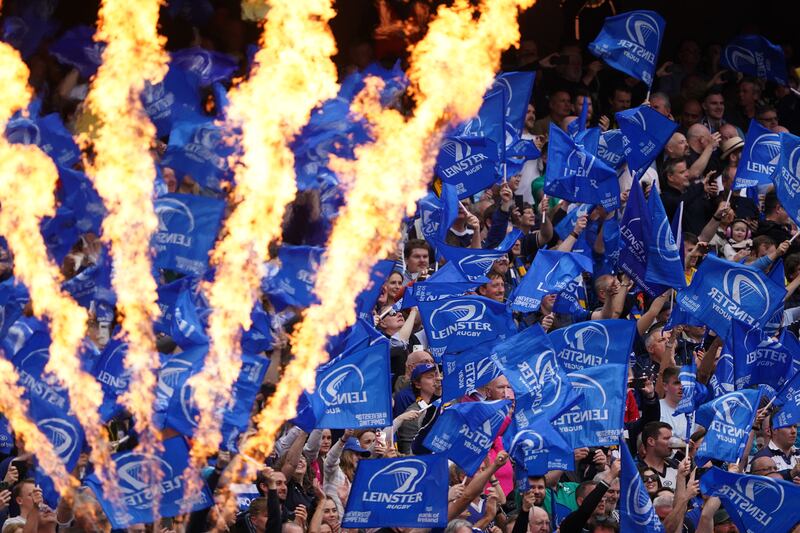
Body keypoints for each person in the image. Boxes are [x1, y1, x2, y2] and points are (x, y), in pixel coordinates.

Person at [638, 422, 680, 490]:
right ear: (651, 441)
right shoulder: (636, 471)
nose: (672, 442)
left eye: (671, 439)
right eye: (666, 439)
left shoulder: (677, 466)